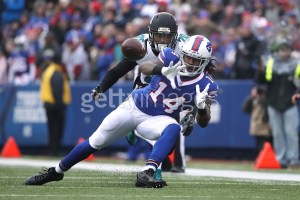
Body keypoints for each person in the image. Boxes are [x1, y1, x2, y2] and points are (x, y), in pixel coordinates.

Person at [24, 35, 218, 188]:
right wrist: (162, 70)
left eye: (195, 59)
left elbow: (203, 121)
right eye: (188, 56)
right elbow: (144, 67)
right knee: (95, 142)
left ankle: (147, 173)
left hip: (157, 119)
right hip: (134, 107)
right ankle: (55, 172)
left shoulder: (206, 84)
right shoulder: (170, 57)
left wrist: (201, 107)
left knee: (174, 127)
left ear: (204, 62)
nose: (190, 62)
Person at [92, 12, 193, 175]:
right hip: (144, 89)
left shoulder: (184, 46)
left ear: (175, 36)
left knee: (170, 136)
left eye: (167, 37)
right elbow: (119, 70)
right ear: (151, 34)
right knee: (151, 124)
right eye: (159, 36)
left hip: (170, 91)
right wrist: (101, 87)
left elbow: (196, 73)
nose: (162, 40)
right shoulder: (141, 46)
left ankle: (164, 159)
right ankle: (136, 128)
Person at [255, 38, 300, 168]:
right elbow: (261, 81)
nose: (284, 53)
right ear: (277, 51)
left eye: (286, 50)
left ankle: (293, 159)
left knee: (291, 131)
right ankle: (281, 159)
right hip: (273, 102)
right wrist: (260, 71)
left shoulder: (296, 63)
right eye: (282, 50)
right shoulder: (269, 63)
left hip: (289, 102)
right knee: (277, 132)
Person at [40, 49, 71, 156]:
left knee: (52, 128)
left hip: (49, 103)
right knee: (57, 128)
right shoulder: (56, 72)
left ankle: (52, 150)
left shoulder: (48, 70)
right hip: (55, 105)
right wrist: (60, 107)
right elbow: (57, 91)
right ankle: (54, 150)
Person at [242, 85, 272, 156]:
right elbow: (245, 109)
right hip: (257, 125)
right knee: (259, 144)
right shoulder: (252, 99)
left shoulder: (266, 99)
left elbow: (266, 106)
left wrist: (261, 97)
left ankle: (266, 158)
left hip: (266, 126)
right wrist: (252, 97)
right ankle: (260, 158)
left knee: (267, 144)